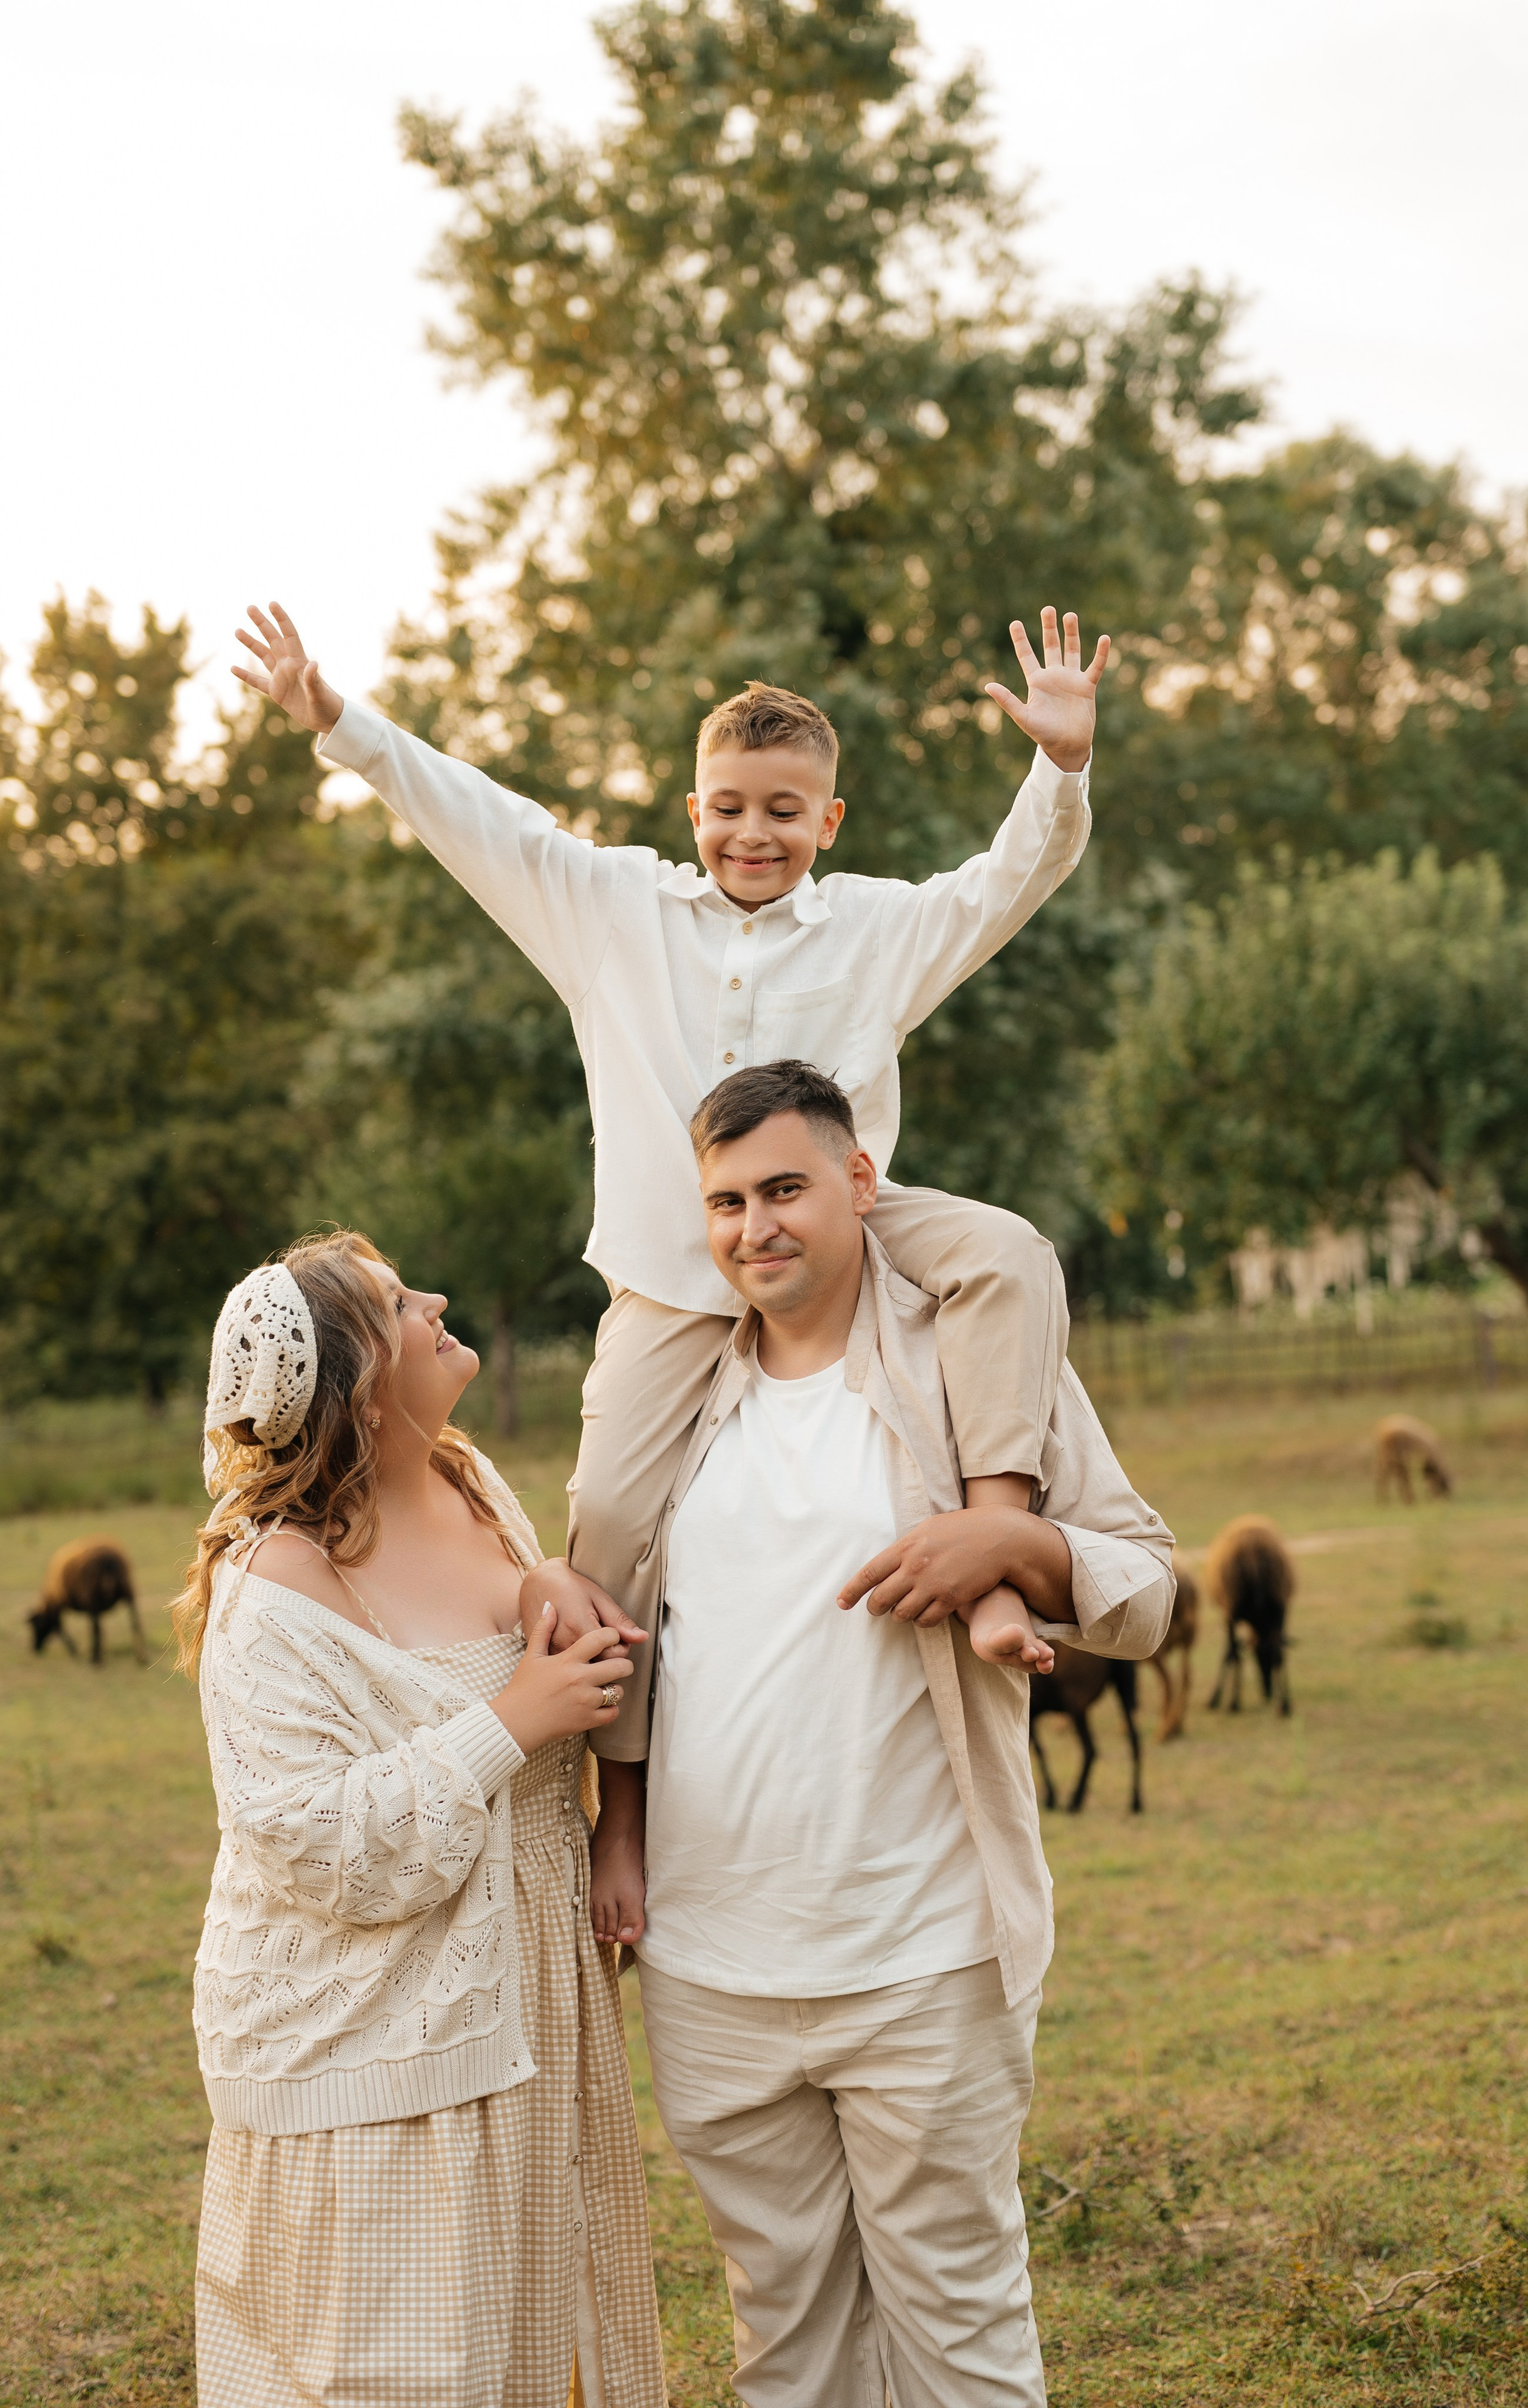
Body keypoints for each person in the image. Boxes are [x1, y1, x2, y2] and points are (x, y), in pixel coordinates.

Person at [231, 598, 1109, 1655]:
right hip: (672, 1271)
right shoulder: (613, 911)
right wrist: (341, 720)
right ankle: (629, 1797)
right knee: (604, 1521)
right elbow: (482, 821)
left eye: (786, 812)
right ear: (694, 810)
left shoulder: (878, 931)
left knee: (1008, 1254)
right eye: (731, 808)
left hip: (850, 1243)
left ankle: (999, 1536)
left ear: (828, 824)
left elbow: (1005, 886)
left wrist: (1059, 770)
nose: (755, 833)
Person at [587, 1061, 1175, 2408]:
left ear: (861, 1184)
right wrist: (614, 1830)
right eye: (727, 1201)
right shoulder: (676, 1405)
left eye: (785, 1187)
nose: (756, 1227)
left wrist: (1013, 1540)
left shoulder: (966, 1363)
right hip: (711, 1965)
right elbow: (624, 1635)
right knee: (784, 2345)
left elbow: (1146, 1587)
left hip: (919, 1954)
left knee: (960, 2337)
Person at [176, 1229, 665, 2408]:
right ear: (355, 1381)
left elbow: (499, 1625)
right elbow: (309, 1841)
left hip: (525, 2004)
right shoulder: (270, 1589)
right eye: (399, 1302)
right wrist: (514, 1720)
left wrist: (538, 1582)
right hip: (382, 2053)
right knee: (400, 2369)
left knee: (521, 2351)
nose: (437, 1300)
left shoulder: (466, 1478)